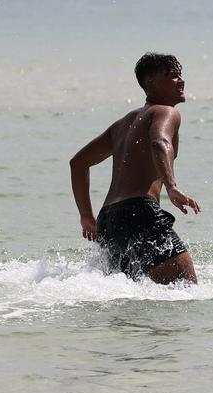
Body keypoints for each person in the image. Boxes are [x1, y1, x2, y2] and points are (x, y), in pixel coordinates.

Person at [69, 53, 201, 283]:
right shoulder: (166, 112)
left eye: (180, 75)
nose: (181, 81)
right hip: (140, 213)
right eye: (172, 76)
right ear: (151, 84)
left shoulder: (122, 124)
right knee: (187, 291)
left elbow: (78, 163)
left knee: (131, 304)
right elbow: (159, 143)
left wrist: (87, 217)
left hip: (109, 220)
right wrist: (172, 186)